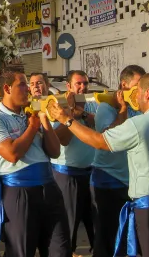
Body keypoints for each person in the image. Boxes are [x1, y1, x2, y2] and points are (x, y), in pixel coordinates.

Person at [50, 73, 149, 257]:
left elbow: (99, 141)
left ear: (147, 94)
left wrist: (67, 120)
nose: (135, 97)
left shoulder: (140, 124)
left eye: (137, 92)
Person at [0, 69, 71, 257]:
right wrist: (32, 127)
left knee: (60, 249)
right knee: (21, 251)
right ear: (6, 88)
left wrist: (44, 121)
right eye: (22, 84)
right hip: (19, 192)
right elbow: (12, 153)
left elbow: (54, 152)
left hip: (49, 187)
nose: (28, 89)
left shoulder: (32, 114)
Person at [89, 64, 145, 257]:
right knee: (107, 236)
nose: (140, 90)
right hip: (108, 179)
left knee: (126, 234)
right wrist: (122, 109)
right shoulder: (106, 108)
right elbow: (109, 136)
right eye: (137, 85)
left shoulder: (137, 109)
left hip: (129, 181)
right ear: (124, 85)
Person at [52, 70, 96, 256]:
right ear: (68, 86)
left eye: (85, 83)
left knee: (96, 226)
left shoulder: (92, 105)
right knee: (69, 227)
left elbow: (99, 127)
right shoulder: (57, 107)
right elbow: (62, 139)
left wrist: (83, 113)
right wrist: (72, 116)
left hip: (91, 173)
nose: (83, 87)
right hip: (67, 175)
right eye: (78, 83)